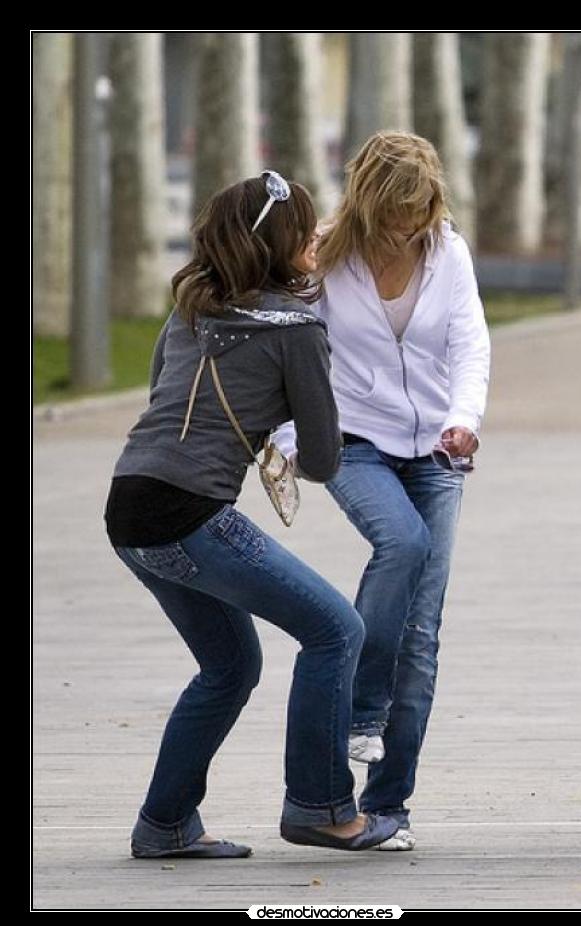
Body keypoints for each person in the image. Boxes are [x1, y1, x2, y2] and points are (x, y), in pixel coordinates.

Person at [104, 170, 400, 859]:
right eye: (306, 225)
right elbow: (324, 460)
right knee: (336, 629)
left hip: (128, 504)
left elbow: (161, 401)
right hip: (191, 511)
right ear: (283, 242)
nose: (317, 236)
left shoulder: (192, 308)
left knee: (230, 667)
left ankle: (165, 824)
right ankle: (322, 807)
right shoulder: (298, 328)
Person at [273, 132, 490, 851]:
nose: (407, 227)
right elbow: (284, 342)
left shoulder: (447, 252)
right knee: (402, 541)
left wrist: (463, 420)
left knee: (421, 637)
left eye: (419, 211)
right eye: (395, 213)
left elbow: (468, 343)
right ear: (368, 203)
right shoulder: (327, 255)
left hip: (436, 449)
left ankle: (389, 805)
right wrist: (282, 438)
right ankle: (364, 711)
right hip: (352, 439)